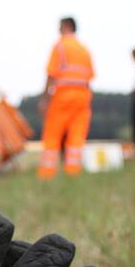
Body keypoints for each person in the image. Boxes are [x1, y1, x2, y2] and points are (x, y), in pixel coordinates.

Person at [38, 17, 94, 178]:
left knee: (53, 133)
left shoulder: (60, 46)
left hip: (63, 94)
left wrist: (44, 99)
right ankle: (73, 171)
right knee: (77, 135)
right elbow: (90, 76)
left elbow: (51, 74)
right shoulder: (84, 49)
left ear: (67, 26)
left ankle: (47, 173)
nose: (58, 29)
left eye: (60, 26)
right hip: (83, 95)